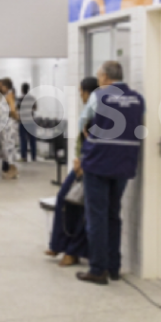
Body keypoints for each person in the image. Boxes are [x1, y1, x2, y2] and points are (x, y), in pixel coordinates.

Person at [78, 61, 145, 286]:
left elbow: (82, 122)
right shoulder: (138, 99)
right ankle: (114, 267)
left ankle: (98, 269)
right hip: (124, 165)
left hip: (98, 163)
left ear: (106, 78)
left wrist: (86, 138)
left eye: (99, 76)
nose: (98, 81)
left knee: (96, 217)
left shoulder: (99, 96)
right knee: (113, 215)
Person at [46, 77, 99, 267]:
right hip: (81, 162)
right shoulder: (89, 109)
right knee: (64, 198)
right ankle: (58, 244)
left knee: (81, 207)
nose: (80, 96)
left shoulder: (98, 109)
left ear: (86, 92)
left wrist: (84, 161)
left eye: (81, 92)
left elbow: (94, 140)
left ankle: (73, 251)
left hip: (90, 164)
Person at [0, 78, 19, 180]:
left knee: (10, 148)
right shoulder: (5, 96)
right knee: (5, 148)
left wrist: (16, 118)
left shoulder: (10, 95)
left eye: (2, 86)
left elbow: (13, 110)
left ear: (5, 87)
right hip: (4, 125)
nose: (0, 87)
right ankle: (11, 170)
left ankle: (13, 170)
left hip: (9, 125)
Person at [18, 82, 38, 163]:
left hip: (23, 122)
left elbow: (17, 108)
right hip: (31, 122)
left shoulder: (20, 99)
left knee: (23, 140)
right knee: (32, 140)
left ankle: (24, 157)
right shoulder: (32, 98)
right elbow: (35, 108)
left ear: (22, 90)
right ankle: (34, 157)